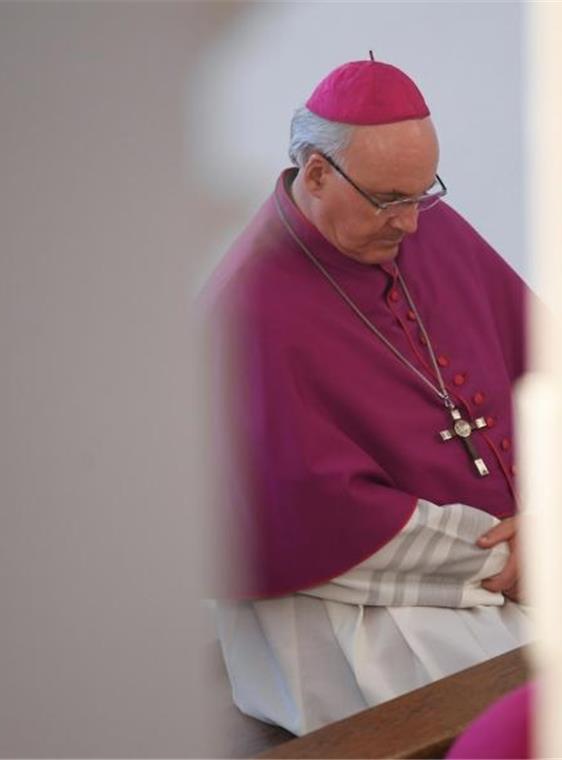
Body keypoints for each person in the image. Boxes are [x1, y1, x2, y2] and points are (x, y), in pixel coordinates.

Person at [198, 55, 536, 736]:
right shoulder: (243, 309)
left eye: (423, 194)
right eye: (389, 200)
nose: (411, 225)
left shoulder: (431, 228)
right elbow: (307, 515)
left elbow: (554, 373)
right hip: (359, 597)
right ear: (316, 173)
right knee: (521, 704)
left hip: (523, 553)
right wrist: (508, 559)